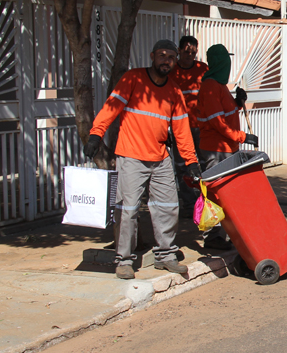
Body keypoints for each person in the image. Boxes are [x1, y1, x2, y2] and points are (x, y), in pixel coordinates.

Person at [84, 39, 201, 280]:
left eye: (170, 57)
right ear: (152, 56)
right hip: (131, 156)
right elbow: (111, 108)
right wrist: (96, 135)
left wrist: (190, 160)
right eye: (162, 55)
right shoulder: (133, 79)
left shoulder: (174, 91)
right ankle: (124, 259)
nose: (166, 60)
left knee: (169, 207)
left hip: (160, 158)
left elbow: (182, 130)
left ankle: (166, 255)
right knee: (127, 210)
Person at [195, 44, 257, 250]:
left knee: (229, 193)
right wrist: (242, 136)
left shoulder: (219, 86)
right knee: (217, 193)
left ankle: (227, 232)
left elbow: (226, 112)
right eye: (226, 61)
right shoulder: (211, 86)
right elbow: (217, 122)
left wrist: (238, 102)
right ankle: (213, 236)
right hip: (216, 149)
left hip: (227, 148)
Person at [169, 36, 207, 217]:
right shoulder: (171, 72)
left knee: (204, 165)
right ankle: (188, 204)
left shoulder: (203, 69)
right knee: (182, 166)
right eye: (186, 52)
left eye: (193, 52)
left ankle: (205, 200)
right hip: (179, 129)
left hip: (201, 127)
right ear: (179, 51)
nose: (189, 56)